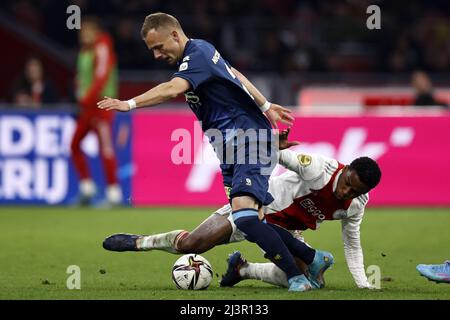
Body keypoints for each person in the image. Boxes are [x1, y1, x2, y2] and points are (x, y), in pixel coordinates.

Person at [97, 12, 325, 292]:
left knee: (245, 218)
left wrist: (128, 104)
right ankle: (314, 259)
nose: (156, 55)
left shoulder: (197, 56)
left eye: (159, 47)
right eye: (151, 50)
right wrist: (265, 105)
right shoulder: (203, 52)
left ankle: (297, 277)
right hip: (230, 150)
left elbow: (171, 90)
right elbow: (235, 73)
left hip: (247, 141)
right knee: (254, 222)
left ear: (175, 35)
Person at [103, 129, 382, 289]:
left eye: (356, 192)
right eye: (348, 184)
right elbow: (277, 153)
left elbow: (352, 244)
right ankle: (141, 242)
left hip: (287, 231)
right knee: (192, 244)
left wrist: (363, 285)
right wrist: (273, 145)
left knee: (306, 279)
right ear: (345, 170)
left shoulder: (356, 205)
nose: (347, 192)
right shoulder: (319, 168)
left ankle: (243, 269)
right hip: (254, 207)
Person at [71, 17, 123, 206]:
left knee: (106, 149)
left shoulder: (102, 47)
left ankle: (114, 193)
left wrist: (86, 98)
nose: (83, 36)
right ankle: (87, 187)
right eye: (81, 33)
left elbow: (101, 77)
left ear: (96, 31)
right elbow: (81, 77)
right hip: (87, 108)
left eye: (87, 32)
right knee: (74, 144)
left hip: (101, 106)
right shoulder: (86, 51)